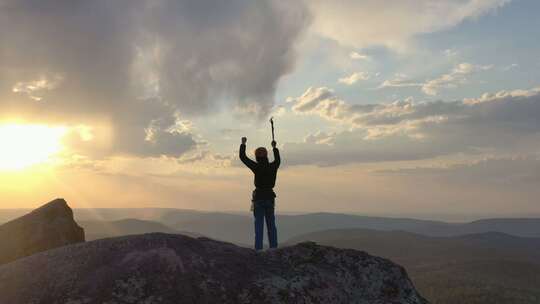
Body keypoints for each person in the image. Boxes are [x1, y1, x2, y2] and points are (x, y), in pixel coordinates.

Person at [239, 137, 280, 251]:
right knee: (271, 224)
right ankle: (274, 247)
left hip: (258, 198)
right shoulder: (273, 166)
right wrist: (274, 147)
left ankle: (258, 249)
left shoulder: (256, 166)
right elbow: (278, 160)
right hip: (270, 197)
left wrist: (243, 144)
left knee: (259, 225)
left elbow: (243, 157)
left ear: (257, 156)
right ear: (266, 155)